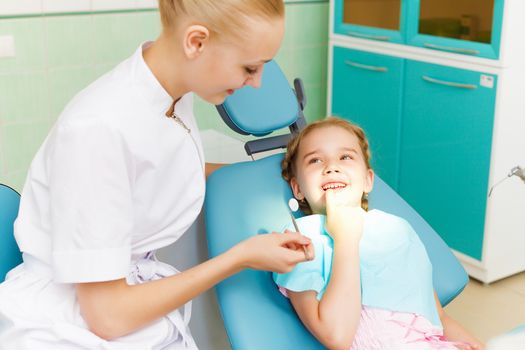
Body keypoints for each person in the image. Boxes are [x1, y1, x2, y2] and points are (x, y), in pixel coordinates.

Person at [0, 1, 314, 349]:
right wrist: (240, 257)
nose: (255, 84)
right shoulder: (98, 130)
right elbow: (108, 317)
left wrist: (277, 174)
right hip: (72, 324)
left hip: (123, 299)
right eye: (249, 68)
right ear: (196, 42)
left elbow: (161, 169)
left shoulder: (170, 93)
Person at [273, 117, 485, 350]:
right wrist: (345, 238)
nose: (332, 167)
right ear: (298, 189)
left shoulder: (397, 230)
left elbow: (440, 318)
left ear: (367, 180)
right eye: (315, 160)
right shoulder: (302, 239)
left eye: (345, 157)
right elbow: (337, 337)